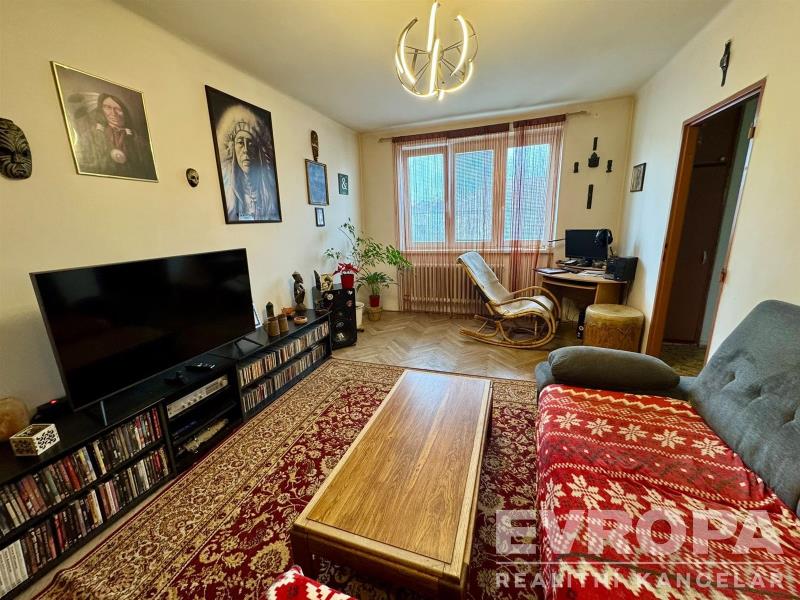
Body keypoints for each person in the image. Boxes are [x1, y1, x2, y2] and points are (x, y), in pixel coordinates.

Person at [218, 107, 280, 222]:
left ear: (258, 152)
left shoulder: (268, 194)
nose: (246, 150)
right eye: (240, 143)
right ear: (233, 148)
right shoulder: (230, 196)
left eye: (251, 144)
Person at [74, 93, 156, 179]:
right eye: (107, 107)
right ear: (101, 110)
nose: (113, 113)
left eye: (118, 109)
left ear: (125, 112)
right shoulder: (90, 135)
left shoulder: (137, 139)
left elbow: (147, 169)